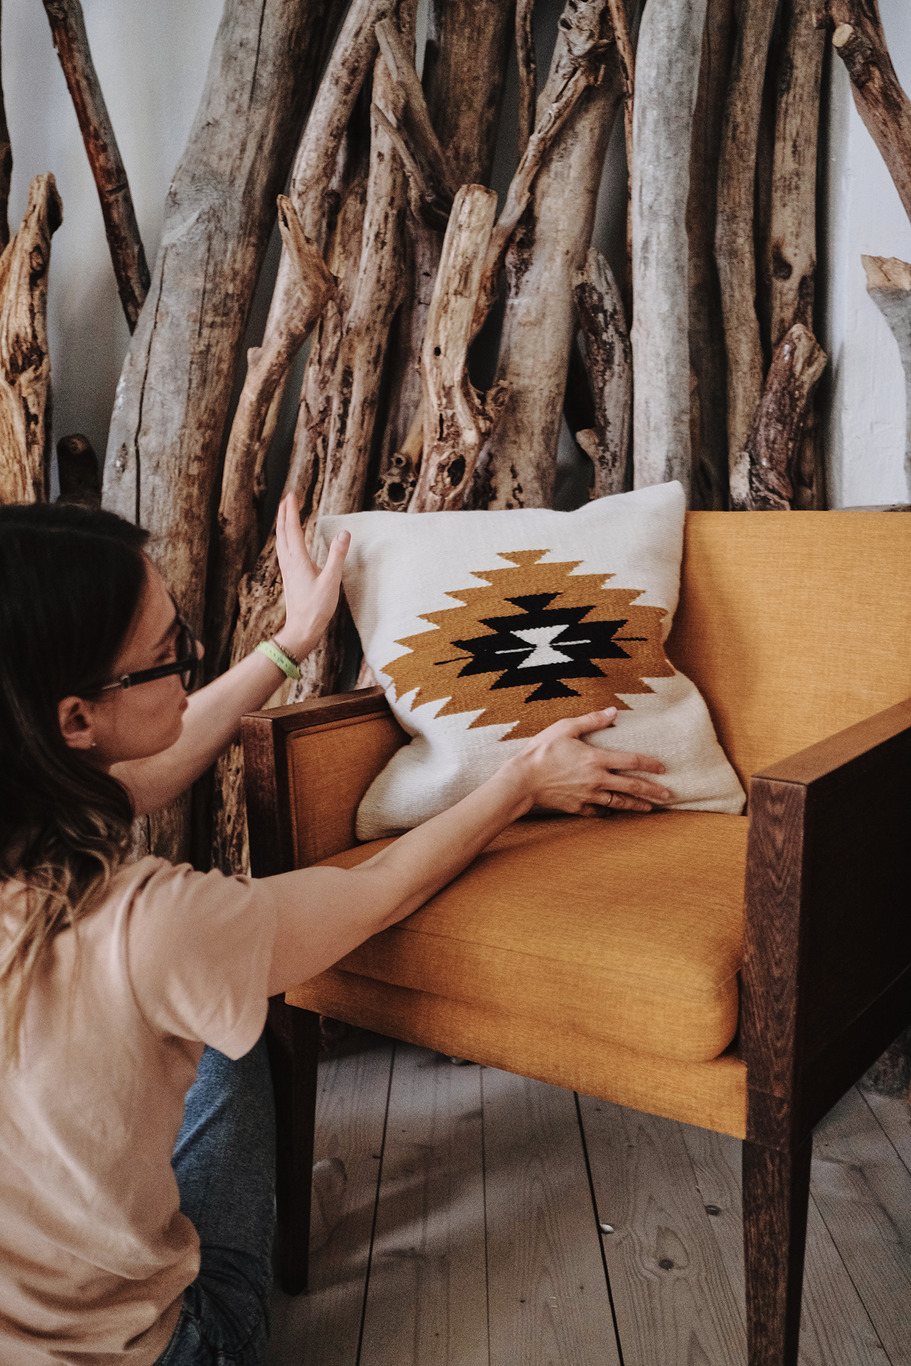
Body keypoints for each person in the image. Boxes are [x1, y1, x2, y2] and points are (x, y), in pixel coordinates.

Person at [0, 494, 673, 1365]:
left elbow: (143, 764)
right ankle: (262, 1225)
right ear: (73, 721)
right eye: (170, 658)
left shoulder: (31, 796)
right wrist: (519, 779)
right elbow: (384, 887)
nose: (191, 673)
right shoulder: (154, 925)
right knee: (230, 1027)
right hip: (151, 1350)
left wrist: (292, 641)